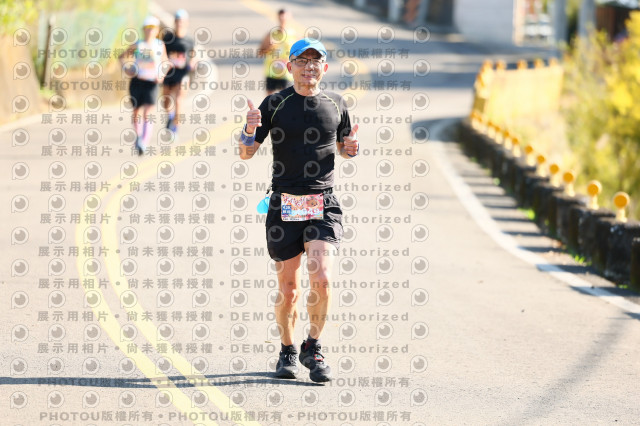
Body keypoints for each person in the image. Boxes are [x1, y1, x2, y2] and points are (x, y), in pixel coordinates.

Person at [239, 38, 360, 383]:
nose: (309, 67)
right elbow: (246, 152)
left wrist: (352, 147)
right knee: (289, 288)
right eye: (302, 61)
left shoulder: (336, 103)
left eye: (315, 61)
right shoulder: (274, 103)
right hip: (285, 203)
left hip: (323, 203)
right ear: (289, 66)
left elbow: (345, 148)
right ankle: (288, 350)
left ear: (324, 67)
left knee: (322, 278)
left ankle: (314, 346)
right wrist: (249, 129)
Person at [119, 16, 169, 155]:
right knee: (136, 112)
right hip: (137, 81)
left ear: (157, 30)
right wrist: (126, 68)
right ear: (143, 30)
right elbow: (122, 57)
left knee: (148, 112)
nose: (150, 31)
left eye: (152, 28)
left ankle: (144, 142)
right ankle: (139, 135)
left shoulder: (160, 45)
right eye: (147, 28)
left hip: (152, 82)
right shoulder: (138, 45)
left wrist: (162, 74)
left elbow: (166, 62)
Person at [161, 9, 195, 133]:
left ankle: (175, 128)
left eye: (182, 21)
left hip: (183, 73)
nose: (180, 23)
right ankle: (170, 117)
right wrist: (165, 61)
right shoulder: (168, 37)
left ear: (186, 23)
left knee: (179, 100)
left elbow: (194, 54)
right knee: (166, 101)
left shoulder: (189, 40)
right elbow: (162, 52)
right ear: (174, 22)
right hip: (169, 73)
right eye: (178, 21)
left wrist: (193, 62)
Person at [257, 9, 296, 94]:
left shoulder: (294, 35)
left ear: (290, 18)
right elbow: (260, 53)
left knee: (287, 98)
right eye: (281, 18)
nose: (283, 20)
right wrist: (269, 47)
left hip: (286, 73)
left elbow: (300, 54)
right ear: (278, 18)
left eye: (285, 17)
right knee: (270, 99)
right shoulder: (271, 34)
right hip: (272, 71)